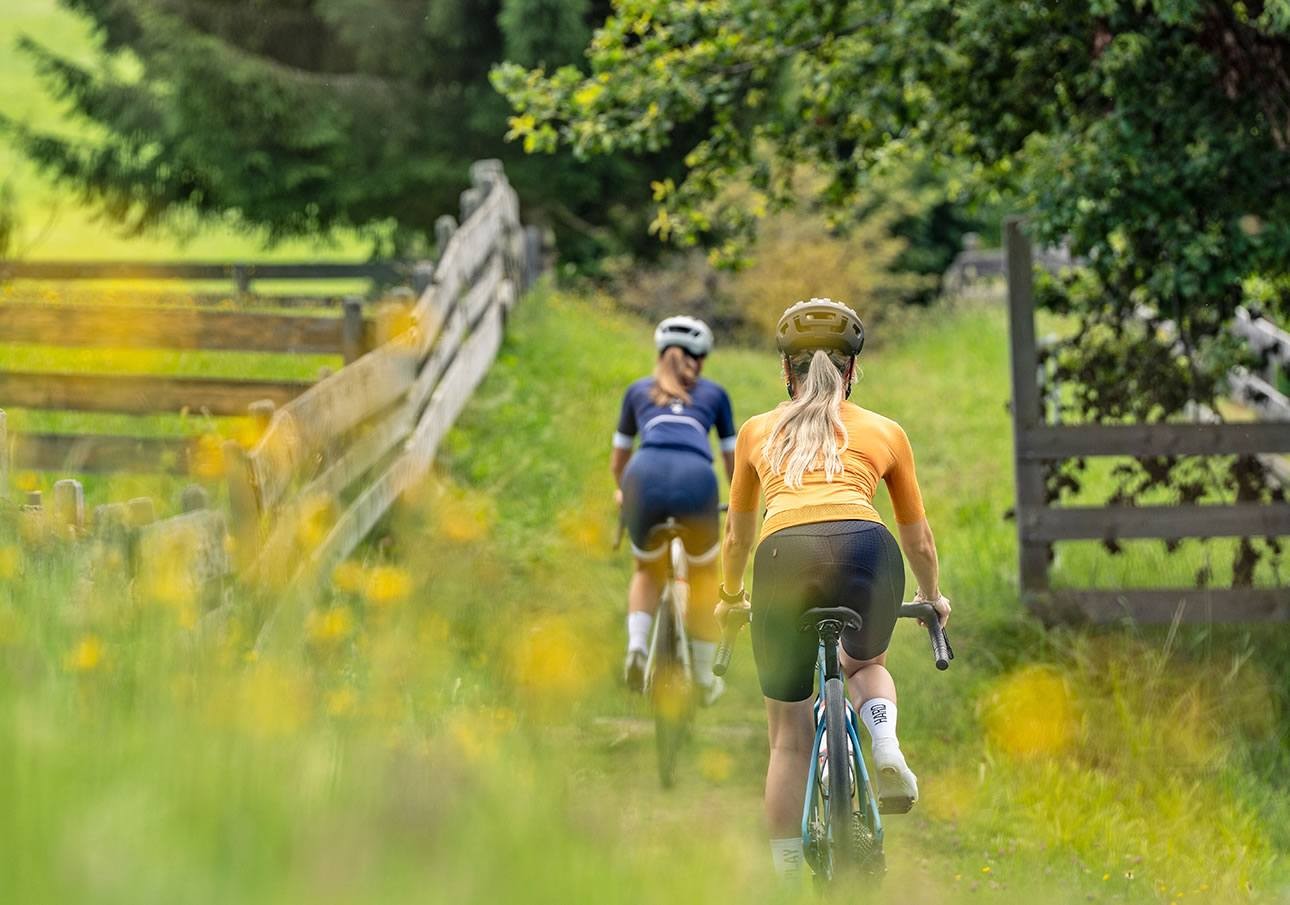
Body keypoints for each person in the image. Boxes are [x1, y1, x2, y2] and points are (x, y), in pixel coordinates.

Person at [717, 298, 951, 882]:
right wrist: (933, 597)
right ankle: (886, 744)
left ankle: (788, 874)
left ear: (785, 372)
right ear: (850, 371)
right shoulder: (885, 432)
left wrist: (730, 597)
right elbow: (918, 540)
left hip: (782, 555)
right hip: (866, 547)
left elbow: (737, 538)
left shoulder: (755, 433)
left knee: (788, 742)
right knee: (865, 660)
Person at [613, 315, 736, 705]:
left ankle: (636, 647)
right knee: (702, 578)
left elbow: (619, 460)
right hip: (696, 478)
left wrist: (622, 492)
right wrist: (737, 503)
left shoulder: (637, 391)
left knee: (647, 569)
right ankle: (702, 677)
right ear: (701, 359)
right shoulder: (714, 394)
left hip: (643, 474)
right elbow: (731, 460)